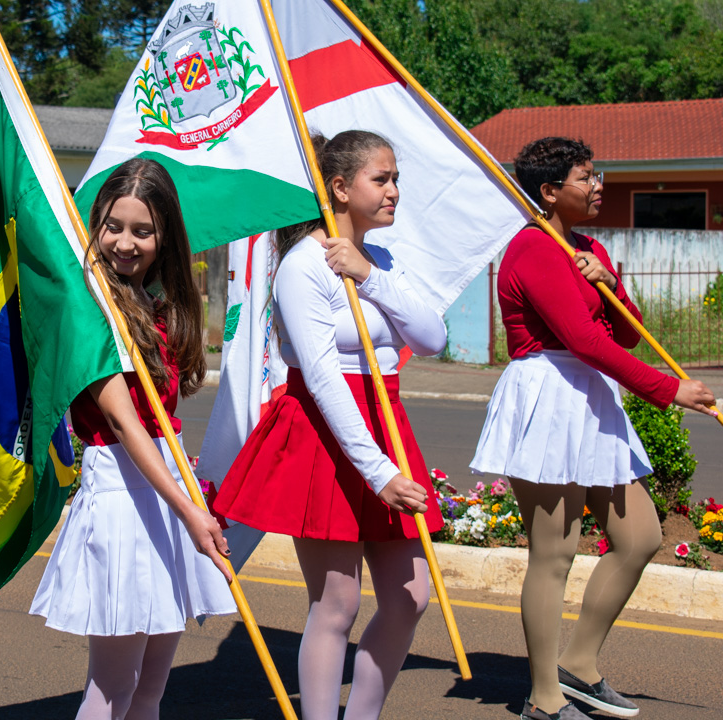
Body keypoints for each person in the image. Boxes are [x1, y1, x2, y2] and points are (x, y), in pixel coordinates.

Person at [470, 137, 717, 720]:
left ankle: (578, 666)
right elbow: (583, 340)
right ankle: (543, 697)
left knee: (640, 538)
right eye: (586, 177)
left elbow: (625, 333)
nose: (598, 184)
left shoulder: (584, 247)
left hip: (590, 397)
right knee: (552, 554)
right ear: (550, 191)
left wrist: (609, 280)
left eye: (597, 173)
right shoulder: (532, 248)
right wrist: (666, 390)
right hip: (549, 394)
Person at [213, 131, 447, 720]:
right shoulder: (301, 266)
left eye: (395, 178)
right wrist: (379, 472)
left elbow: (433, 337)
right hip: (324, 432)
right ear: (339, 187)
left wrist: (368, 273)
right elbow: (321, 379)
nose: (394, 190)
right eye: (382, 178)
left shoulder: (381, 260)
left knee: (410, 597)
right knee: (337, 601)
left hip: (384, 419)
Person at [30, 157, 235, 720]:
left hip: (165, 493)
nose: (125, 242)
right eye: (113, 226)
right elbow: (123, 423)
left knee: (151, 688)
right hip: (121, 499)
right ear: (94, 224)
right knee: (113, 687)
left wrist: (187, 503)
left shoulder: (160, 306)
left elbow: (162, 421)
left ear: (165, 236)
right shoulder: (89, 309)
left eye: (142, 230)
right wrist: (191, 511)